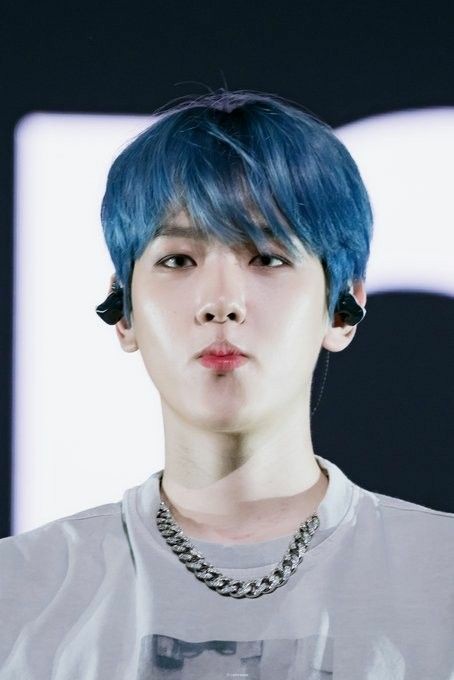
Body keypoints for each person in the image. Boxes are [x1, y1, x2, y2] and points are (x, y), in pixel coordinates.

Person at [1, 89, 453, 679]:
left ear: (343, 309)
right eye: (178, 260)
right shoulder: (20, 592)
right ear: (124, 312)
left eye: (267, 257)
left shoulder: (440, 580)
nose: (221, 302)